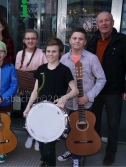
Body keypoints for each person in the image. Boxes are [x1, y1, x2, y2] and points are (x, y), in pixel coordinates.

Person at [86, 11, 126, 166]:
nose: (104, 23)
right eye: (101, 21)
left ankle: (110, 152)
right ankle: (94, 145)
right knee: (94, 121)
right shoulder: (92, 41)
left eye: (107, 20)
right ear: (97, 24)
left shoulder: (123, 41)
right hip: (95, 90)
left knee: (113, 124)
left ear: (112, 22)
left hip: (113, 90)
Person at [23, 38, 79, 166]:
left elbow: (75, 90)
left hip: (55, 113)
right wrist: (27, 108)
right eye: (48, 51)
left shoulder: (64, 70)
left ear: (60, 52)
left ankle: (49, 164)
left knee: (49, 145)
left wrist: (64, 97)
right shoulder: (41, 68)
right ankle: (44, 162)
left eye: (54, 51)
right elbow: (35, 91)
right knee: (41, 141)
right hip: (40, 111)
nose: (50, 54)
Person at [58, 27, 106, 167]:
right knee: (68, 129)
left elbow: (102, 79)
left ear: (85, 41)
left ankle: (76, 157)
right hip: (68, 103)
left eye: (80, 39)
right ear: (69, 40)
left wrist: (89, 96)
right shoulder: (63, 59)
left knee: (81, 128)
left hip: (84, 103)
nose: (77, 41)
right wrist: (63, 98)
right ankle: (71, 150)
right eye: (74, 38)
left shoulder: (92, 58)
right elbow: (61, 82)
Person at [15, 29, 47, 151]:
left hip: (39, 89)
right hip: (24, 90)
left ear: (37, 40)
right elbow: (18, 73)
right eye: (28, 38)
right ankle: (30, 135)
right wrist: (20, 88)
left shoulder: (42, 53)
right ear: (24, 40)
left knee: (39, 114)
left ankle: (38, 138)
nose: (30, 41)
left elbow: (45, 72)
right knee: (27, 113)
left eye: (33, 38)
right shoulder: (19, 54)